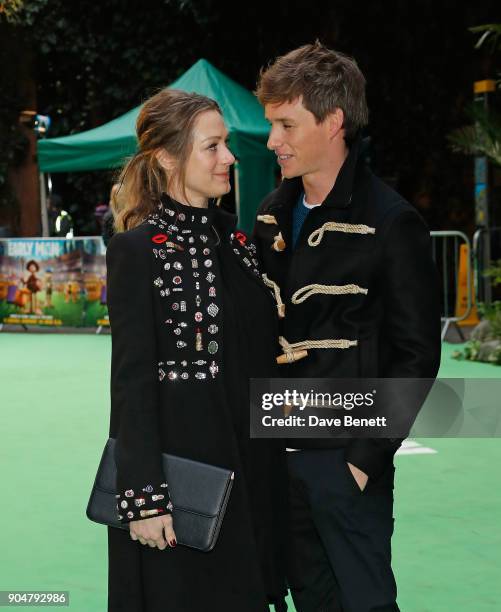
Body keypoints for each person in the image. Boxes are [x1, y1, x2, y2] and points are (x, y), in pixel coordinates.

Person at [253, 42, 442, 612]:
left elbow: (415, 357)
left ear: (333, 122)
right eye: (271, 125)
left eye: (286, 124)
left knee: (364, 603)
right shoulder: (269, 215)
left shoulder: (391, 221)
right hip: (273, 458)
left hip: (345, 464)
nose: (272, 141)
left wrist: (363, 458)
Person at [105, 88, 287, 612]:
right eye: (212, 146)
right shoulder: (137, 251)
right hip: (179, 490)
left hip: (251, 473)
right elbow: (132, 384)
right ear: (167, 157)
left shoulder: (238, 246)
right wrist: (143, 499)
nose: (229, 157)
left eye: (226, 144)